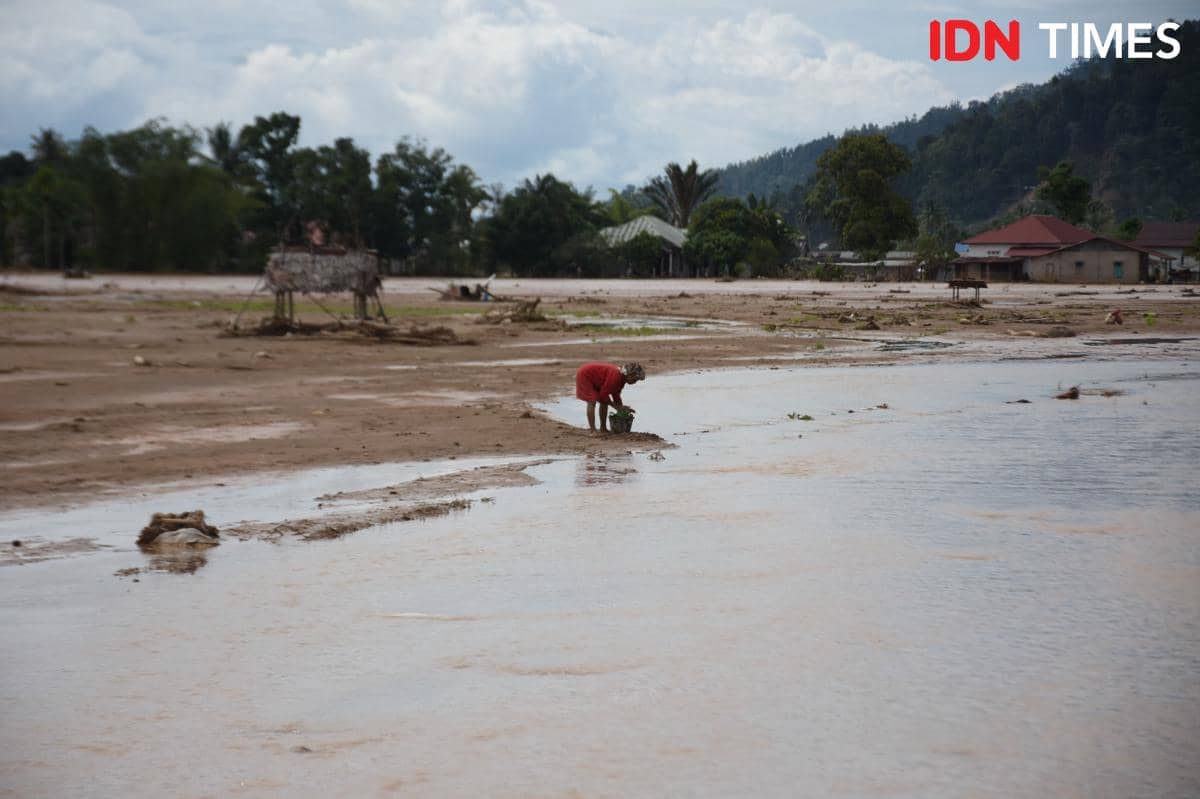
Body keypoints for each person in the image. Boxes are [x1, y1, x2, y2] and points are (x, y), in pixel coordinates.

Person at [575, 361, 644, 433]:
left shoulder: (622, 379)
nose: (635, 382)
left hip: (596, 380)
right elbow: (603, 394)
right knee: (592, 401)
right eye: (634, 379)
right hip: (585, 375)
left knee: (604, 402)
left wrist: (621, 407)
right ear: (628, 374)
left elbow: (616, 394)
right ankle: (593, 430)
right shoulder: (616, 376)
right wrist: (615, 406)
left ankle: (603, 428)